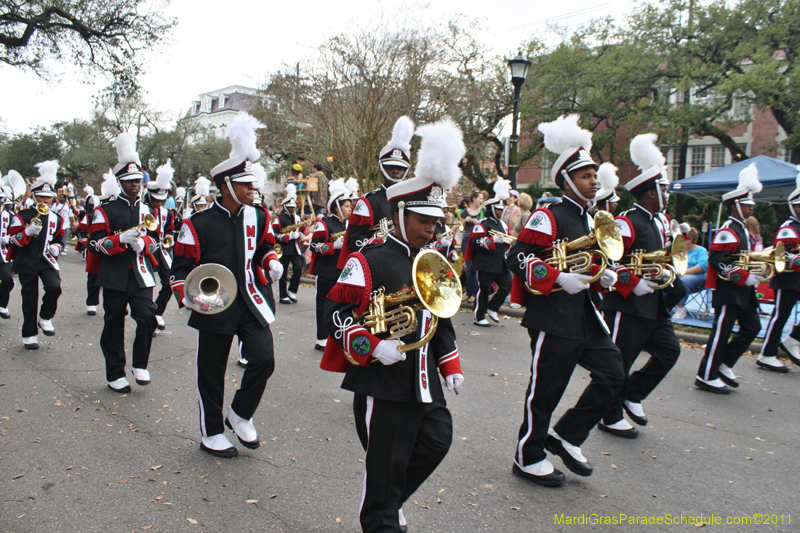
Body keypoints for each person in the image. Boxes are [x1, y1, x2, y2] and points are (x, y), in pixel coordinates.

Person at [321, 117, 464, 532]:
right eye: (424, 220)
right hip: (382, 383)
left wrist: (450, 364)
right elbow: (336, 316)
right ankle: (382, 514)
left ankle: (386, 501)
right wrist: (368, 344)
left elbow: (442, 312)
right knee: (384, 472)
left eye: (436, 222)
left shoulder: (431, 259)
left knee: (437, 441)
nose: (432, 228)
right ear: (400, 214)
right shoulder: (369, 259)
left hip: (423, 379)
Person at [507, 114, 624, 487]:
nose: (594, 181)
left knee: (613, 375)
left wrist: (601, 274)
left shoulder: (592, 219)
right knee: (545, 391)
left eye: (594, 176)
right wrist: (557, 277)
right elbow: (519, 257)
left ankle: (567, 435)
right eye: (587, 176)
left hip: (586, 314)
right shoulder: (548, 215)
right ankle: (527, 456)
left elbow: (589, 260)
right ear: (567, 180)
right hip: (553, 315)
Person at [171, 112, 283, 458]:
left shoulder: (260, 216)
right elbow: (179, 270)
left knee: (264, 359)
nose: (254, 188)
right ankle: (212, 432)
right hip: (214, 302)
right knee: (212, 371)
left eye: (253, 183)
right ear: (226, 186)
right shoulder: (198, 223)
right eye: (247, 184)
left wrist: (271, 261)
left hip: (251, 298)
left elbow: (263, 246)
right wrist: (190, 298)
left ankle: (240, 413)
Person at [597, 133, 681, 439]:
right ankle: (609, 414)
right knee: (619, 361)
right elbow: (607, 259)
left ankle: (631, 395)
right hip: (627, 304)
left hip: (654, 304)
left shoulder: (659, 221)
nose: (667, 194)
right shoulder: (627, 222)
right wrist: (632, 283)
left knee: (670, 351)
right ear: (649, 193)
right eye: (663, 189)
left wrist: (661, 274)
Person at [89, 133, 159, 393]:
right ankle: (115, 372)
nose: (134, 186)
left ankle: (140, 364)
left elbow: (157, 240)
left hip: (141, 274)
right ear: (119, 182)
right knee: (114, 324)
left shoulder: (147, 211)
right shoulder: (104, 210)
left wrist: (145, 245)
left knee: (148, 318)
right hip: (114, 275)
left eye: (137, 181)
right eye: (129, 181)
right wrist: (119, 239)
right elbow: (93, 244)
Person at [695, 162, 765, 394]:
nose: (751, 208)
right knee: (721, 333)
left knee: (752, 326)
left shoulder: (742, 228)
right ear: (735, 205)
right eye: (747, 204)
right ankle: (706, 375)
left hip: (742, 289)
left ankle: (723, 364)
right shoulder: (728, 228)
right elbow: (717, 258)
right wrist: (741, 276)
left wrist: (753, 272)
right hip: (728, 289)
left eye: (751, 203)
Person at [337, 116, 415, 269]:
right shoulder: (367, 202)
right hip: (376, 267)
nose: (395, 171)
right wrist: (385, 245)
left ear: (405, 170)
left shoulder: (413, 201)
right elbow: (355, 241)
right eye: (390, 166)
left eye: (400, 168)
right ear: (381, 169)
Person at [7, 161, 66, 349]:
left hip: (46, 260)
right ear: (34, 196)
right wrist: (26, 232)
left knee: (54, 287)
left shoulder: (57, 218)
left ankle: (46, 317)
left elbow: (60, 237)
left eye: (49, 197)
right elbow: (12, 240)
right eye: (42, 196)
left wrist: (57, 246)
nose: (46, 200)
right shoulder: (22, 216)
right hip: (26, 261)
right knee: (29, 298)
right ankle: (29, 334)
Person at [757, 173, 800, 372]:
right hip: (787, 279)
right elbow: (782, 256)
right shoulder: (788, 228)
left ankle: (792, 340)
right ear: (794, 206)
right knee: (780, 316)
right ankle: (766, 354)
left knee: (781, 316)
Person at [308, 178, 352, 351]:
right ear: (337, 207)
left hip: (343, 271)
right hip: (327, 271)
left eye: (350, 206)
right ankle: (321, 338)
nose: (350, 209)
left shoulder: (348, 225)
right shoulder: (324, 223)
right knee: (324, 305)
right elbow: (314, 245)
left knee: (340, 306)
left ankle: (335, 336)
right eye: (347, 206)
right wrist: (334, 246)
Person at [465, 179, 512, 327]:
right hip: (485, 263)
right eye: (497, 209)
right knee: (483, 290)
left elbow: (505, 243)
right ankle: (478, 316)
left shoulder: (502, 224)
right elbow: (476, 243)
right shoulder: (482, 224)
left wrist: (507, 243)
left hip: (500, 262)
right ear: (491, 209)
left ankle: (492, 308)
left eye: (501, 209)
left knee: (506, 286)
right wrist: (492, 240)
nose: (500, 211)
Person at [144, 160, 176, 332]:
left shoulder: (167, 213)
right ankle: (148, 316)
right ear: (149, 196)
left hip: (163, 251)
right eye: (156, 200)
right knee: (148, 284)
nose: (159, 203)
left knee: (169, 283)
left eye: (161, 200)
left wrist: (169, 238)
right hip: (146, 250)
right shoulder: (142, 210)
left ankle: (158, 312)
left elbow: (170, 229)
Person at [83, 171, 119, 316]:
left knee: (112, 280)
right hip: (98, 248)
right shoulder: (96, 213)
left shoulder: (119, 212)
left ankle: (113, 305)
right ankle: (91, 303)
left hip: (114, 248)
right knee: (93, 277)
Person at [274, 186, 308, 304]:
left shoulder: (298, 218)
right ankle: (282, 295)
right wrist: (289, 236)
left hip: (295, 249)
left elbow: (303, 229)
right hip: (283, 249)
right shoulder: (278, 219)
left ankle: (292, 290)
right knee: (282, 273)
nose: (292, 209)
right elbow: (276, 234)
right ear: (285, 207)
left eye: (294, 207)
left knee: (298, 268)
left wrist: (301, 234)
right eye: (290, 207)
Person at [0, 170, 25, 319]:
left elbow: (16, 233)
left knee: (8, 279)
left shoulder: (10, 216)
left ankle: (2, 305)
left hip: (3, 253)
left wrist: (8, 238)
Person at [672, 225, 708, 320]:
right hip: (680, 276)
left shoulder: (701, 250)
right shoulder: (679, 252)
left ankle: (680, 309)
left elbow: (701, 267)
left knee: (684, 280)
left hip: (698, 278)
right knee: (664, 279)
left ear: (690, 239)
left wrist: (683, 273)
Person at [459, 190, 485, 303]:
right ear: (474, 198)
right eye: (480, 198)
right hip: (466, 240)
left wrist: (477, 222)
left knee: (476, 268)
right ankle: (468, 292)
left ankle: (475, 293)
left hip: (478, 240)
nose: (482, 200)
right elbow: (461, 227)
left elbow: (485, 225)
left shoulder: (483, 211)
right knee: (468, 267)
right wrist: (466, 220)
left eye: (482, 198)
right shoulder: (465, 211)